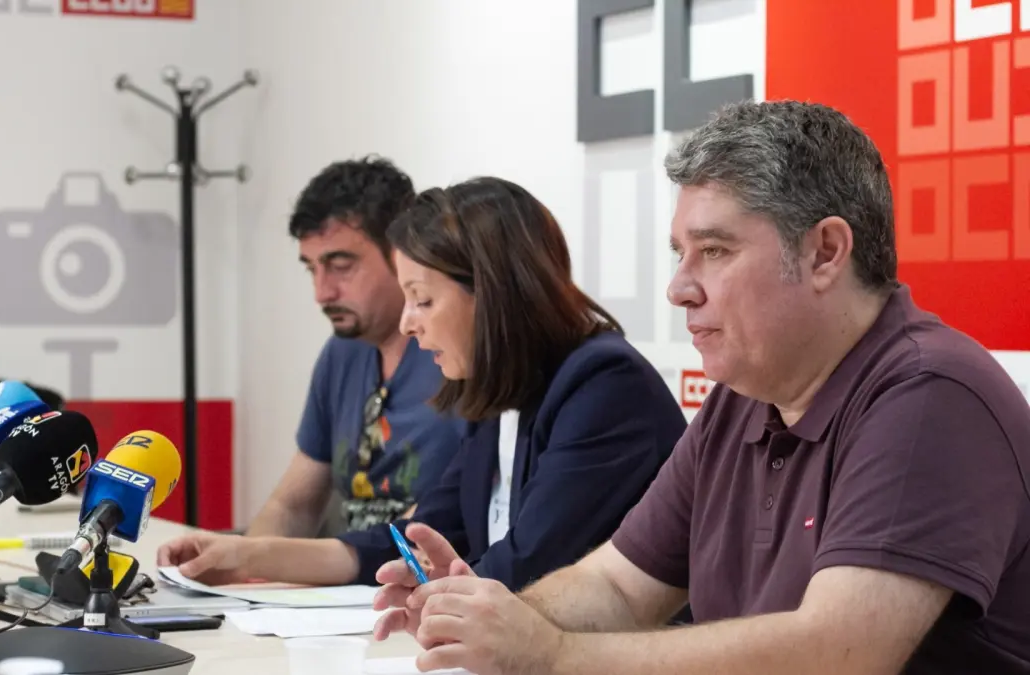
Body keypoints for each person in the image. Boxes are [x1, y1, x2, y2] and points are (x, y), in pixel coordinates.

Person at [374, 101, 1030, 675]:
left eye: (714, 250)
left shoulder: (930, 395)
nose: (679, 287)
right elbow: (617, 588)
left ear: (826, 252)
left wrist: (553, 655)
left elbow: (837, 653)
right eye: (679, 254)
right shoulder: (741, 397)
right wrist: (485, 614)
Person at [156, 177, 687, 591]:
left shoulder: (603, 387)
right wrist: (245, 555)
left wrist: (422, 586)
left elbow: (525, 568)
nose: (409, 323)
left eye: (423, 300)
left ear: (493, 296)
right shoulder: (499, 390)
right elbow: (411, 539)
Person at [242, 156, 464, 538]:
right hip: (348, 570)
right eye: (312, 268)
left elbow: (443, 517)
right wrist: (240, 561)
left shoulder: (458, 354)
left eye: (341, 265)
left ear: (402, 254)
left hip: (415, 568)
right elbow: (292, 506)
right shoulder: (342, 353)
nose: (322, 293)